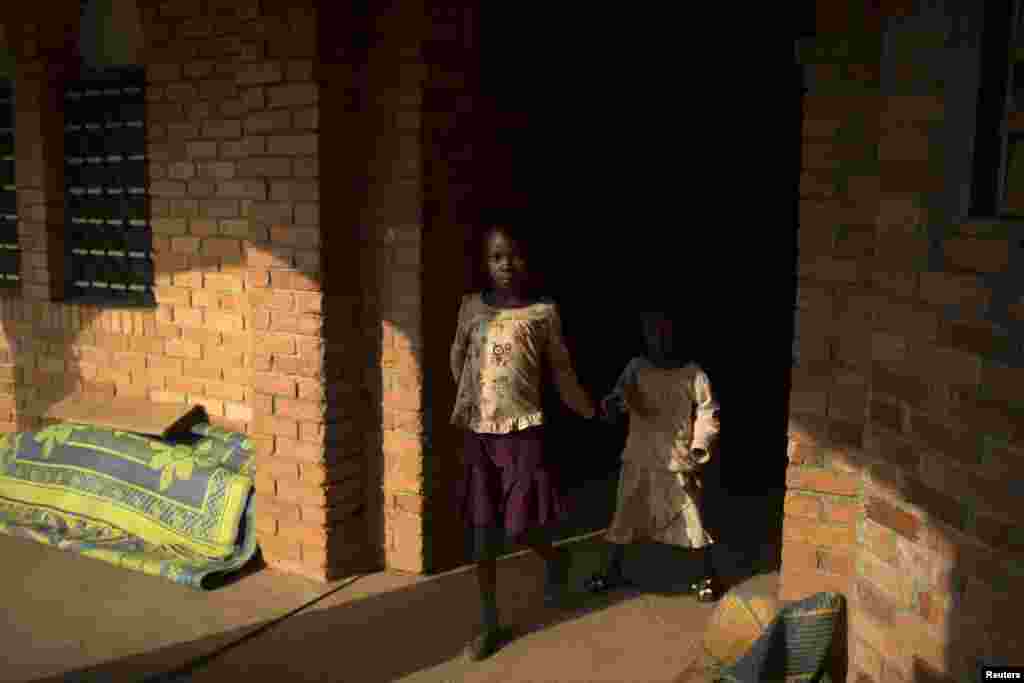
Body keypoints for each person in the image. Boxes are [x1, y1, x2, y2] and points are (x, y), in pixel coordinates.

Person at [450, 220, 597, 661]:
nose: (506, 264)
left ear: (527, 261)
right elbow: (458, 356)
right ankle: (490, 623)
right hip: (477, 433)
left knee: (519, 526)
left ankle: (554, 558)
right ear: (485, 262)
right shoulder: (471, 307)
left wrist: (589, 410)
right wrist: (472, 401)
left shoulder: (542, 312)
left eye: (514, 255)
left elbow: (561, 372)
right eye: (496, 256)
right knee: (481, 532)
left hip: (523, 432)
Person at [584, 311, 723, 602]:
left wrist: (699, 446)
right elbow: (619, 397)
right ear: (645, 335)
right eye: (652, 332)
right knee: (625, 513)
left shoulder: (693, 374)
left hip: (677, 460)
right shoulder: (636, 368)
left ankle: (705, 576)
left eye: (665, 331)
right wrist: (614, 405)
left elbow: (708, 412)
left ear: (676, 334)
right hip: (639, 455)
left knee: (690, 517)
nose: (659, 339)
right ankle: (612, 570)